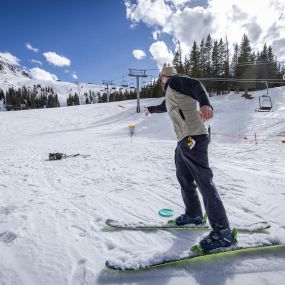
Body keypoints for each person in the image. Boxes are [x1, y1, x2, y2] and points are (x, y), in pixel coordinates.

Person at [144, 65, 235, 252]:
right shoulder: (171, 93)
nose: (161, 80)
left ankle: (223, 233)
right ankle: (194, 215)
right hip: (184, 140)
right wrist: (150, 109)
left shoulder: (175, 81)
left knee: (203, 180)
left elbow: (196, 85)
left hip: (194, 136)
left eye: (162, 77)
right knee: (183, 176)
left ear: (164, 77)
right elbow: (164, 106)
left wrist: (205, 104)